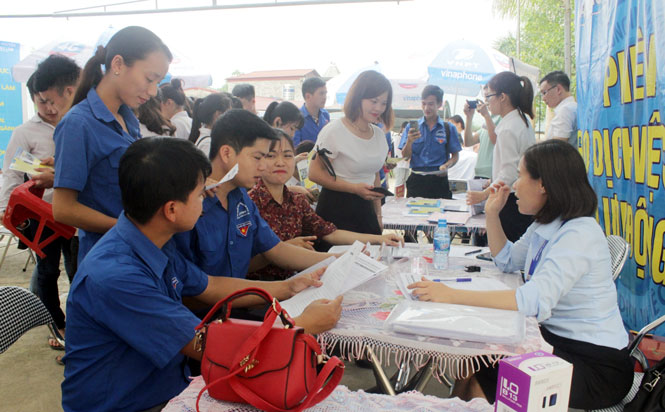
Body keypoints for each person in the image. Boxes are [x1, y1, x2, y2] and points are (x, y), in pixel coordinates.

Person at [61, 137, 342, 412]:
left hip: (169, 386)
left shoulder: (151, 240)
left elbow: (209, 285)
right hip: (131, 403)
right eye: (199, 194)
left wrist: (288, 287)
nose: (206, 199)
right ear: (171, 209)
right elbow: (206, 346)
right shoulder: (116, 276)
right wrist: (303, 326)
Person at [408, 140, 633, 410]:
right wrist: (492, 213)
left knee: (488, 365)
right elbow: (508, 260)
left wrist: (451, 296)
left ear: (544, 185)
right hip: (558, 342)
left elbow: (532, 300)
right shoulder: (547, 223)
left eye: (521, 175)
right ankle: (457, 404)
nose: (514, 184)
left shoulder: (578, 234)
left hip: (595, 367)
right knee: (478, 358)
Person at [52, 26, 172, 263]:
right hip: (109, 258)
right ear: (117, 64)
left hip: (138, 252)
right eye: (150, 79)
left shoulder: (128, 119)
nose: (153, 91)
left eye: (158, 82)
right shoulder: (79, 124)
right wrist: (130, 231)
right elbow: (63, 209)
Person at [174, 109, 334, 279]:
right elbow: (191, 286)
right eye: (258, 158)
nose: (264, 166)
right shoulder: (190, 202)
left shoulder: (241, 198)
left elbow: (276, 249)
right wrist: (285, 289)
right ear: (227, 153)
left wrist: (338, 259)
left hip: (238, 300)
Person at [0, 60, 80, 353]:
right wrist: (5, 210)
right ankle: (57, 325)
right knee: (47, 271)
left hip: (73, 214)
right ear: (33, 99)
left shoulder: (75, 123)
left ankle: (79, 324)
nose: (48, 107)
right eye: (41, 101)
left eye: (51, 100)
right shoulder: (25, 132)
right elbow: (11, 172)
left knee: (77, 271)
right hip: (40, 215)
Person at [248, 130, 403, 280]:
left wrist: (379, 239)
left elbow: (331, 233)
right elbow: (243, 266)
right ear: (258, 160)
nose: (280, 162)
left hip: (298, 281)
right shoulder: (248, 205)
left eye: (287, 155)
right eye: (271, 156)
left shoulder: (297, 201)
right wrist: (285, 248)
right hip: (260, 292)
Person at [308, 70, 392, 235]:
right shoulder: (334, 131)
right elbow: (314, 173)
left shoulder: (379, 135)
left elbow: (375, 175)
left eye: (384, 103)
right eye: (374, 101)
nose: (379, 108)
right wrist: (354, 188)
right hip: (336, 209)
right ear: (358, 97)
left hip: (366, 211)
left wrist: (378, 215)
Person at [466, 72, 536, 242]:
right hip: (519, 196)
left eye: (489, 96)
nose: (487, 102)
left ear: (502, 97)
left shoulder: (508, 128)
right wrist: (493, 180)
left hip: (510, 201)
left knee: (506, 254)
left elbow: (509, 173)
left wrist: (484, 194)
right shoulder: (521, 119)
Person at [398, 85, 462, 199]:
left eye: (431, 104)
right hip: (416, 181)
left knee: (440, 215)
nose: (427, 108)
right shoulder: (411, 127)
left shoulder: (448, 128)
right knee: (413, 216)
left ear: (439, 104)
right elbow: (405, 157)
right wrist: (409, 141)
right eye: (424, 103)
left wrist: (447, 165)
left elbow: (455, 156)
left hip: (439, 181)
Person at [462, 88, 499, 179]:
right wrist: (469, 117)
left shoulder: (501, 118)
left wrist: (486, 115)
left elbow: (496, 140)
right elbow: (468, 142)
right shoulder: (489, 120)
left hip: (492, 173)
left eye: (488, 96)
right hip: (479, 172)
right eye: (485, 97)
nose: (486, 100)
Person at [539, 70, 577, 146]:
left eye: (544, 93)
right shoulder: (574, 107)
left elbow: (557, 147)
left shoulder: (565, 111)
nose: (543, 98)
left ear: (558, 89)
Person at [293, 77, 329, 146]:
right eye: (321, 93)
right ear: (308, 96)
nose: (325, 97)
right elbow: (296, 148)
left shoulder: (325, 115)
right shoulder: (296, 118)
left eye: (325, 93)